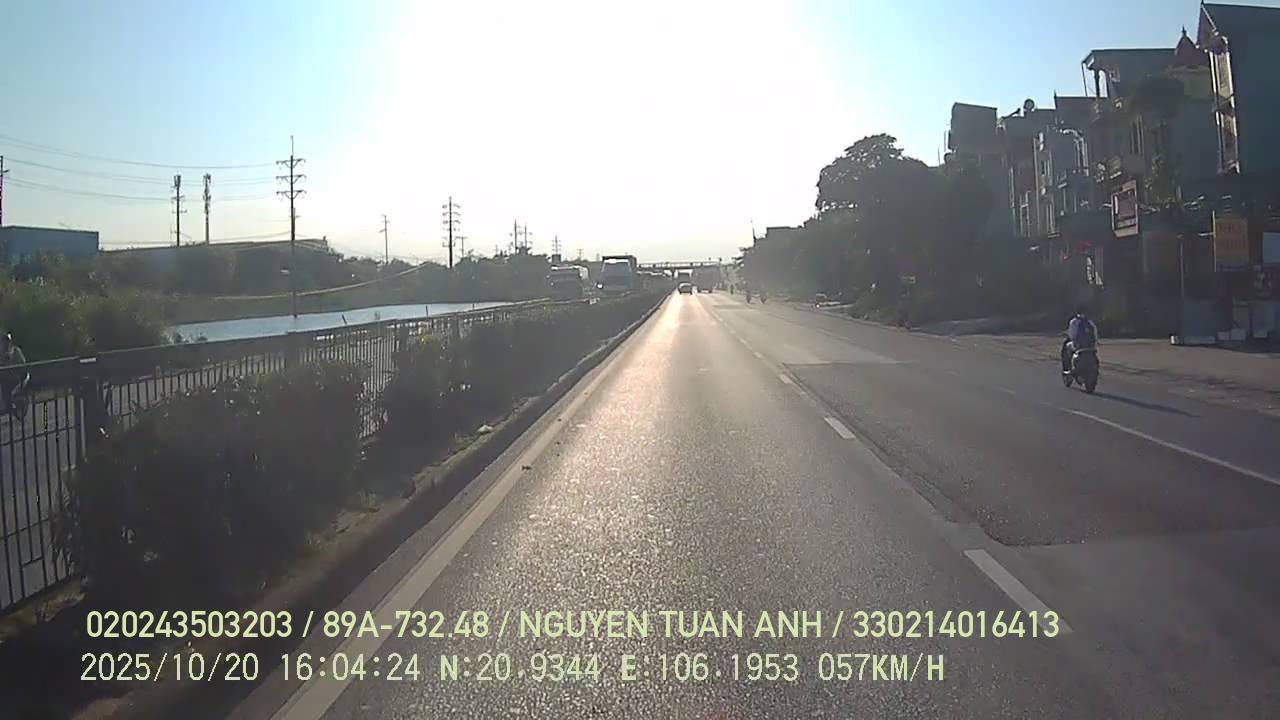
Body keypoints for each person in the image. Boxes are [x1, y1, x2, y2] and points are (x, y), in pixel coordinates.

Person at [1061, 307, 1099, 375]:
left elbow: (1072, 335)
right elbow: (1095, 335)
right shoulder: (1090, 322)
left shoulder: (1074, 321)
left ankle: (1068, 369)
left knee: (1066, 347)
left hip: (1079, 346)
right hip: (1091, 347)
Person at [1, 333, 28, 414]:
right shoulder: (2, 352)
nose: (5, 343)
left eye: (7, 341)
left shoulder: (16, 350)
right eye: (3, 341)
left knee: (6, 388)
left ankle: (10, 405)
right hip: (5, 375)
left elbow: (22, 363)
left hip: (16, 375)